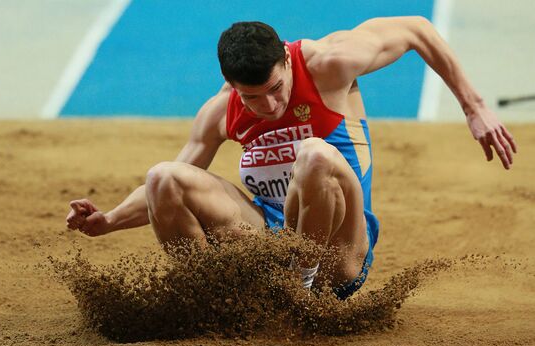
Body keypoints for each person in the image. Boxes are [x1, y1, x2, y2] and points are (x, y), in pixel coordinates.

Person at [66, 17, 517, 300]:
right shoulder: (223, 110)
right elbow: (162, 193)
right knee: (164, 176)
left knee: (315, 155)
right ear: (230, 83)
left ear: (285, 57)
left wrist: (474, 108)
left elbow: (417, 29)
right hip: (267, 239)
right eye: (252, 97)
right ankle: (206, 301)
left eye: (276, 89)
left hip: (339, 252)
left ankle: (301, 297)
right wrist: (107, 222)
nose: (267, 106)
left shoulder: (330, 63)